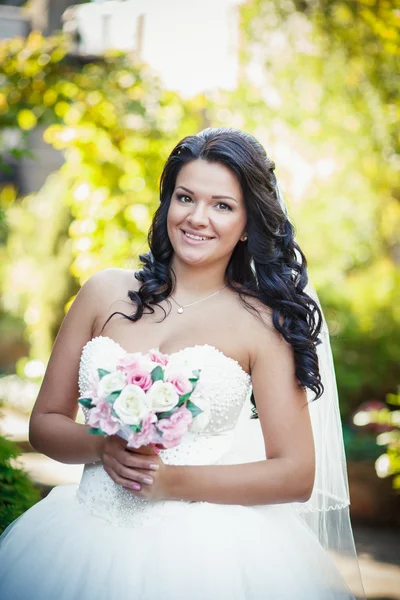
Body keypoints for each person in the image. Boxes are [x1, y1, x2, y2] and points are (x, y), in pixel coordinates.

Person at [0, 127, 364, 599]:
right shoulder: (102, 293)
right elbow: (45, 424)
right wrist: (102, 445)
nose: (198, 218)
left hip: (205, 554)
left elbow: (295, 474)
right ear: (167, 203)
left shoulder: (263, 325)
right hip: (79, 532)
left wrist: (173, 481)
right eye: (185, 197)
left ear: (249, 223)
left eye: (222, 205)